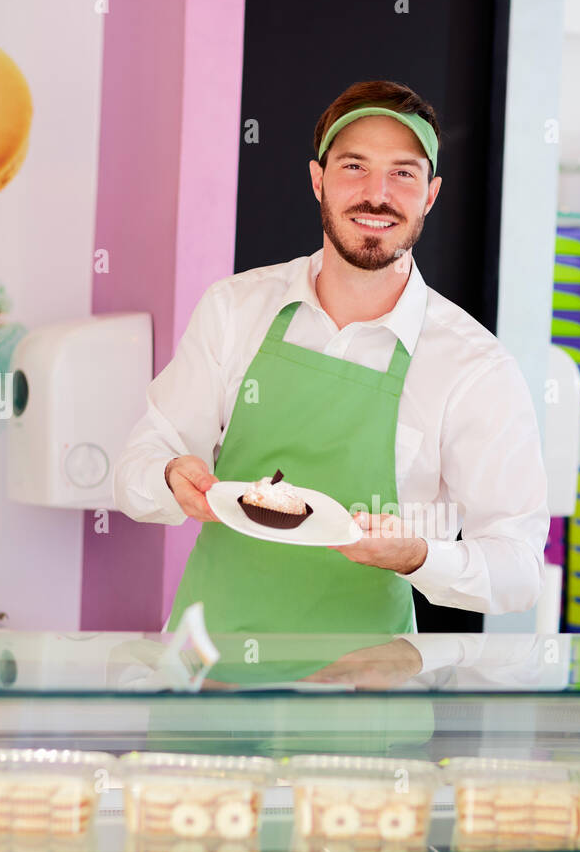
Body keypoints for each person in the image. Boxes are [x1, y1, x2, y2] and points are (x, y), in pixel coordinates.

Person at [113, 79, 549, 634]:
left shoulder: (474, 367)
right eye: (354, 167)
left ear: (431, 194)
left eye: (403, 173)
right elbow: (137, 469)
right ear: (318, 179)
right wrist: (170, 475)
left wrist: (419, 556)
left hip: (363, 694)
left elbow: (520, 569)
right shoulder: (236, 308)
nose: (377, 194)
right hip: (210, 678)